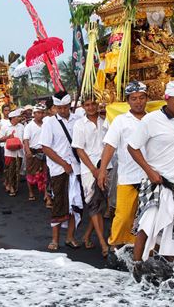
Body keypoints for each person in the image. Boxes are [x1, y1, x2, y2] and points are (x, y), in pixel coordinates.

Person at [128, 81, 174, 279]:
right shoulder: (151, 120)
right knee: (148, 224)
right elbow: (132, 147)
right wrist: (150, 171)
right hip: (157, 180)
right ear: (167, 99)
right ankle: (137, 266)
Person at [98, 81, 148, 250]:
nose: (138, 102)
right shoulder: (120, 121)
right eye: (134, 98)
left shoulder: (153, 119)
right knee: (124, 214)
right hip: (128, 176)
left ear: (146, 98)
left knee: (146, 215)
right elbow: (110, 146)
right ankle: (116, 244)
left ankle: (139, 247)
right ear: (128, 101)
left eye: (141, 97)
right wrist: (102, 171)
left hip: (150, 177)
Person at [39, 91, 82, 251]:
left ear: (69, 106)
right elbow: (46, 147)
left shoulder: (77, 120)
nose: (63, 111)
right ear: (55, 107)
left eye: (65, 108)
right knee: (59, 203)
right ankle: (55, 239)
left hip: (77, 168)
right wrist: (63, 164)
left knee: (75, 203)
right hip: (58, 169)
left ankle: (70, 237)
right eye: (59, 108)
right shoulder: (49, 123)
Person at [71, 96, 109, 257]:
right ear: (83, 107)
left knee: (103, 206)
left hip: (107, 166)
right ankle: (102, 242)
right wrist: (94, 170)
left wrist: (102, 169)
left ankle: (87, 235)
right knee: (94, 206)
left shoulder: (106, 121)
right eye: (87, 105)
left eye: (93, 103)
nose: (91, 107)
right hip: (89, 169)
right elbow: (80, 150)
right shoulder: (79, 125)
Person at [23, 103, 48, 204]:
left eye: (42, 113)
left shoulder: (47, 125)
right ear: (34, 114)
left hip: (45, 152)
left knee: (45, 173)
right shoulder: (29, 126)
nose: (40, 115)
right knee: (31, 173)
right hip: (33, 152)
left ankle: (46, 194)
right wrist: (28, 151)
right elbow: (25, 140)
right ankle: (31, 192)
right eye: (38, 113)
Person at [0, 109, 24, 196]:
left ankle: (14, 186)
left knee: (17, 171)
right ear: (13, 118)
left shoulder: (21, 126)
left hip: (20, 152)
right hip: (9, 153)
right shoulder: (5, 127)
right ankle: (11, 186)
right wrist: (8, 137)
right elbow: (0, 139)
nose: (19, 118)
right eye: (18, 117)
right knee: (10, 170)